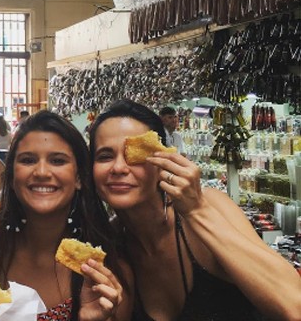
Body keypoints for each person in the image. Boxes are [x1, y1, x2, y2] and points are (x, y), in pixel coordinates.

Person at [89, 100, 301, 321]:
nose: (119, 168)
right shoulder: (109, 248)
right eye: (104, 156)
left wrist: (196, 211)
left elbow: (294, 306)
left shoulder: (209, 205)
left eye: (135, 155)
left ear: (164, 161)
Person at [0, 110, 131, 321]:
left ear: (79, 178)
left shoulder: (107, 273)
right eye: (28, 160)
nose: (42, 172)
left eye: (57, 161)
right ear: (11, 177)